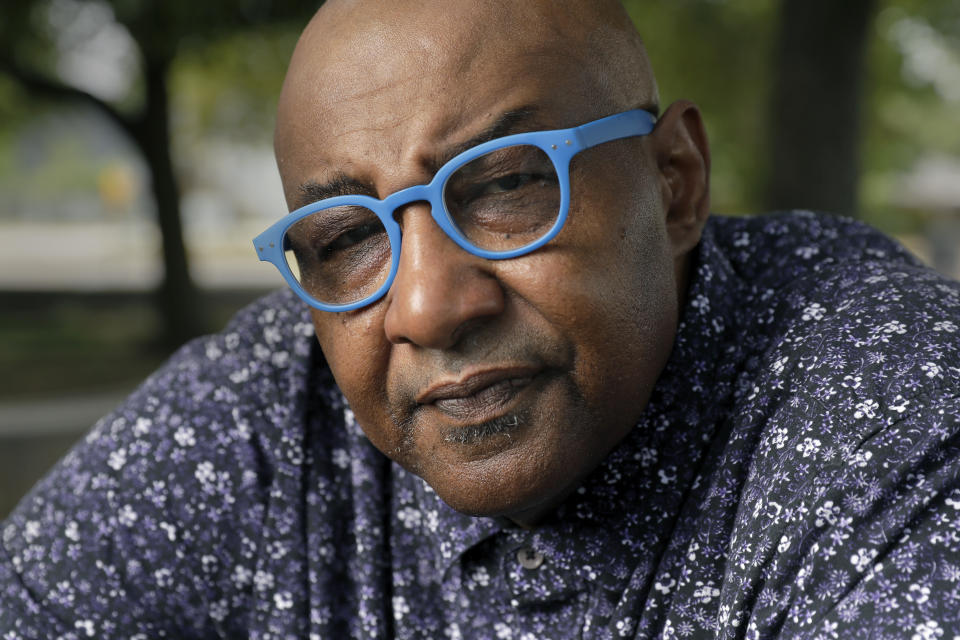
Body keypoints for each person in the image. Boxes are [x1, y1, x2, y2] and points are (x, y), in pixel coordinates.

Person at [2, 0, 959, 638]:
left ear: (675, 185)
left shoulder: (891, 403)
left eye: (503, 185)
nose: (423, 306)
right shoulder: (265, 414)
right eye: (345, 237)